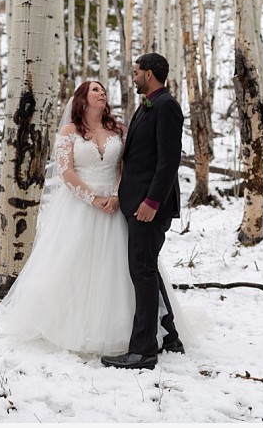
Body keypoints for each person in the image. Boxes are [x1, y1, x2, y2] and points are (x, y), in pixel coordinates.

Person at [0, 80, 135, 356]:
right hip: (79, 207)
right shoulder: (69, 131)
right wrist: (93, 199)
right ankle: (70, 325)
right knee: (73, 265)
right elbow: (66, 172)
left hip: (114, 205)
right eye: (95, 90)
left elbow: (125, 167)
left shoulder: (118, 129)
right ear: (82, 99)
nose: (102, 93)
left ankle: (120, 327)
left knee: (115, 268)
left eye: (103, 90)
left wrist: (117, 196)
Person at [101, 53, 184, 371]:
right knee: (147, 269)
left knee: (143, 272)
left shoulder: (166, 106)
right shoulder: (148, 104)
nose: (132, 77)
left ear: (148, 74)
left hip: (149, 206)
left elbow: (168, 161)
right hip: (136, 202)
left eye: (135, 72)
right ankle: (169, 336)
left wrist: (151, 203)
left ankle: (143, 351)